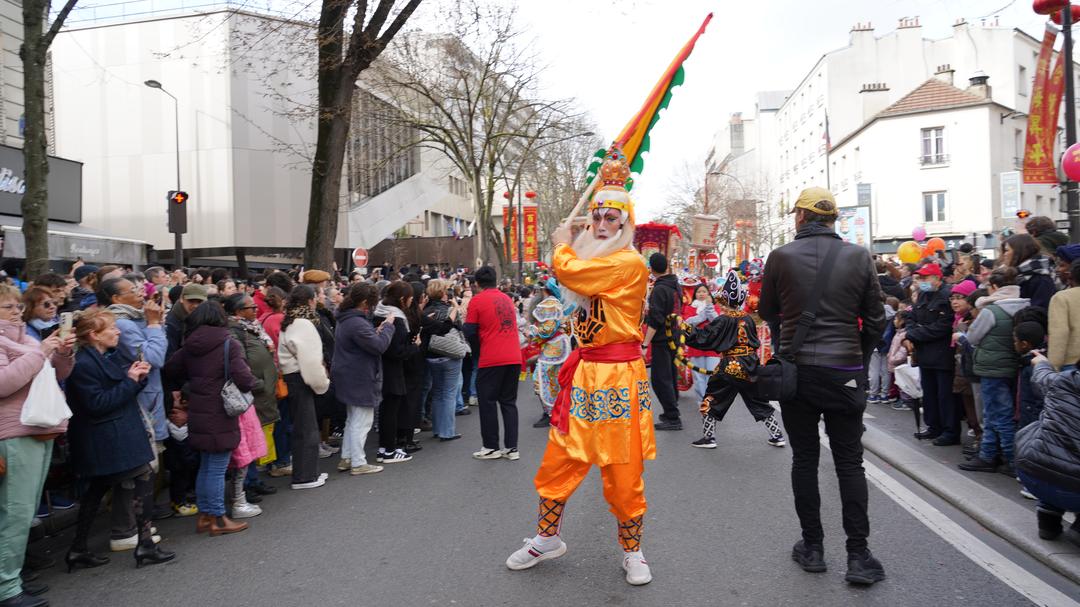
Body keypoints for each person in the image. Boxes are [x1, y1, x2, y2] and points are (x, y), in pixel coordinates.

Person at [504, 146, 654, 585]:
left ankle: (633, 551)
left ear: (625, 223)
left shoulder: (628, 263)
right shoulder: (595, 259)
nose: (602, 225)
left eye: (612, 218)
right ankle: (546, 537)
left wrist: (560, 244)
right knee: (561, 460)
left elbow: (571, 272)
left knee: (623, 470)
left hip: (619, 377)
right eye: (597, 217)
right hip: (585, 374)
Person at [758, 186, 887, 586]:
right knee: (849, 462)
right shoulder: (859, 256)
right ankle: (858, 556)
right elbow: (877, 319)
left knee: (804, 459)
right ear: (833, 219)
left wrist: (786, 342)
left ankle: (813, 548)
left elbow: (767, 311)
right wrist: (858, 357)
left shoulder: (780, 257)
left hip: (798, 372)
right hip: (844, 370)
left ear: (800, 216)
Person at [65, 309, 175, 571]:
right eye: (111, 328)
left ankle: (78, 549)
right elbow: (97, 404)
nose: (117, 332)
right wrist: (130, 381)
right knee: (143, 477)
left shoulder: (101, 357)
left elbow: (116, 390)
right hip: (106, 437)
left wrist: (136, 378)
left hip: (111, 434)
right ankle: (145, 544)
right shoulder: (84, 363)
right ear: (94, 335)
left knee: (97, 489)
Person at [0, 285, 74, 607]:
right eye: (8, 307)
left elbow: (57, 374)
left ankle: (12, 579)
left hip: (39, 429)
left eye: (18, 306)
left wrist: (63, 353)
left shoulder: (27, 341)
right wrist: (41, 352)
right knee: (15, 514)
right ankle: (6, 589)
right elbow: (3, 384)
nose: (17, 312)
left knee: (23, 511)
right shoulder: (26, 345)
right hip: (14, 433)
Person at [165, 301, 259, 535]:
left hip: (198, 410)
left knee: (206, 466)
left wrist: (191, 385)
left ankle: (205, 516)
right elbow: (244, 379)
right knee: (216, 467)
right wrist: (254, 382)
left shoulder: (190, 344)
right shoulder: (228, 343)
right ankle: (218, 518)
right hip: (220, 411)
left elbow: (170, 369)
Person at [98, 276, 170, 532]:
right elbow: (153, 357)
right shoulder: (123, 324)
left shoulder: (134, 319)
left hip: (149, 397)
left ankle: (139, 520)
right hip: (140, 402)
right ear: (116, 298)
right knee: (140, 467)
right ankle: (129, 524)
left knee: (149, 465)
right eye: (133, 290)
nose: (141, 293)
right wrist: (154, 325)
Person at [686, 270, 785, 449]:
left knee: (712, 398)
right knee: (757, 399)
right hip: (750, 363)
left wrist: (686, 330)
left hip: (730, 364)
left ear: (725, 300)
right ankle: (777, 435)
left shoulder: (723, 320)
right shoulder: (748, 318)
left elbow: (706, 337)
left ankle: (709, 437)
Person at [958, 267, 1029, 474]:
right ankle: (994, 454)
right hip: (1013, 365)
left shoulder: (991, 311)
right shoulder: (1025, 305)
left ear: (995, 287)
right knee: (1005, 413)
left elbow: (973, 337)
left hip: (992, 367)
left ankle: (1005, 458)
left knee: (995, 414)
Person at [1015, 351, 1080, 547]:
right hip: (1074, 489)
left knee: (1050, 445)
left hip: (1032, 473)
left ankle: (1048, 521)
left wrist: (1042, 362)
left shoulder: (1063, 380)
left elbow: (1041, 377)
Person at [225, 294, 280, 506]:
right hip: (252, 393)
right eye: (252, 308)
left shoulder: (251, 328)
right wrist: (258, 383)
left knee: (256, 437)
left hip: (262, 392)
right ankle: (245, 485)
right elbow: (240, 363)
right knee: (247, 440)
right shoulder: (234, 331)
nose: (256, 311)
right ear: (238, 311)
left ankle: (254, 480)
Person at [332, 283, 392, 475]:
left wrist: (375, 331)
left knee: (353, 419)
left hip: (347, 373)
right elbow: (378, 346)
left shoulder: (346, 318)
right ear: (366, 302)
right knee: (362, 420)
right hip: (359, 375)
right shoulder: (357, 322)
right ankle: (358, 462)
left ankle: (347, 457)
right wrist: (388, 327)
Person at [463, 266, 522, 460]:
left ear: (477, 283)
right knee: (508, 402)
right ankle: (512, 448)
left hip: (491, 357)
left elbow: (469, 330)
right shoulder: (506, 298)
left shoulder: (477, 300)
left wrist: (478, 350)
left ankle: (491, 446)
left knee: (487, 402)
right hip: (513, 355)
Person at [277, 285, 332, 488]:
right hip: (301, 378)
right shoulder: (303, 324)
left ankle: (305, 474)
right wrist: (322, 384)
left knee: (302, 428)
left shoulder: (291, 320)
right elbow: (310, 361)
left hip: (292, 377)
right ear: (310, 301)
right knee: (307, 429)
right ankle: (305, 476)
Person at [903, 263, 959, 446]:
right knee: (929, 394)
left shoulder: (946, 296)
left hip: (942, 353)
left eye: (925, 278)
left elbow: (942, 326)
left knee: (945, 395)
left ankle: (950, 431)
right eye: (920, 278)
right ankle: (933, 426)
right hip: (924, 352)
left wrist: (914, 334)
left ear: (936, 278)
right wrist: (910, 333)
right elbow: (911, 318)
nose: (922, 281)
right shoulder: (922, 295)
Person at [372, 282, 419, 464]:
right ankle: (389, 450)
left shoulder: (379, 312)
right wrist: (414, 346)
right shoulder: (396, 318)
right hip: (392, 371)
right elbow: (396, 351)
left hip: (379, 368)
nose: (411, 301)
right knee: (390, 412)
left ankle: (384, 449)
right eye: (410, 298)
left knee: (385, 411)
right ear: (402, 299)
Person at [420, 280, 465, 441]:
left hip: (431, 354)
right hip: (449, 353)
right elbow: (460, 326)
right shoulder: (450, 310)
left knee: (438, 392)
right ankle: (447, 431)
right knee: (449, 394)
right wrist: (456, 308)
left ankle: (438, 429)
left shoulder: (426, 310)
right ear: (443, 293)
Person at [525, 278, 571, 428]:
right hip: (557, 345)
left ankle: (551, 413)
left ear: (544, 290)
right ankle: (556, 412)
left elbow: (547, 330)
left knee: (541, 379)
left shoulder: (550, 303)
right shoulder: (555, 302)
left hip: (554, 347)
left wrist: (532, 331)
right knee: (555, 379)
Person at [645, 253, 681, 431]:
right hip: (674, 335)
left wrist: (645, 344)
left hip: (662, 339)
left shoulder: (660, 289)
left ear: (651, 268)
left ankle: (673, 416)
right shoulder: (674, 284)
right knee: (670, 375)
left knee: (660, 379)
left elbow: (655, 319)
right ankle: (671, 411)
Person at [681, 283, 720, 403]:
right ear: (695, 294)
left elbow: (717, 322)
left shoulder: (715, 306)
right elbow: (688, 323)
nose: (701, 294)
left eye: (704, 291)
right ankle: (702, 403)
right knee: (699, 378)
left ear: (708, 293)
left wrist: (709, 308)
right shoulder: (689, 308)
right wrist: (704, 314)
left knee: (712, 376)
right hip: (696, 346)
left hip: (712, 347)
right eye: (699, 292)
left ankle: (711, 402)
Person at [1002, 233, 1057, 311]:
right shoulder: (1020, 274)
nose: (1004, 254)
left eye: (1007, 250)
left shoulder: (1041, 278)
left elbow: (1040, 311)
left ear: (1019, 252)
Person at [1048, 259, 1080, 371]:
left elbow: (1059, 333)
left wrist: (1053, 368)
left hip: (1072, 364)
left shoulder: (1062, 298)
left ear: (1070, 276)